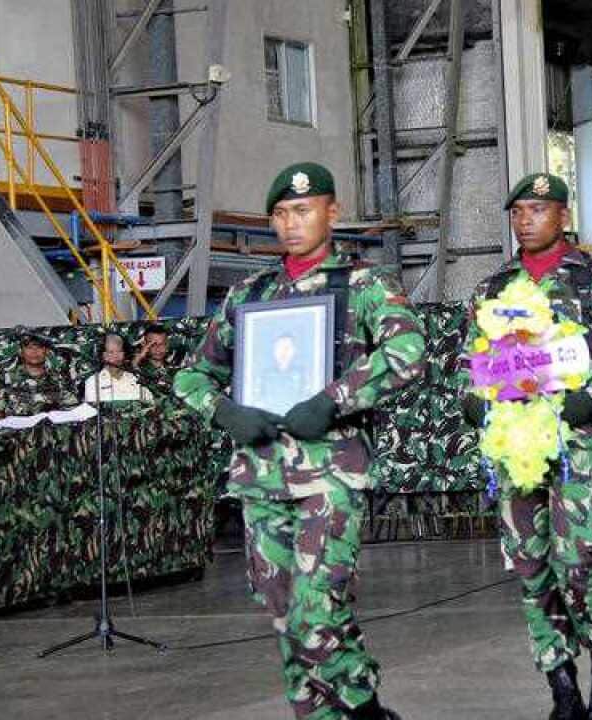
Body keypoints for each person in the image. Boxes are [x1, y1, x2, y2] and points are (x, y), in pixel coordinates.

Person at [175, 162, 426, 720]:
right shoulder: (250, 294)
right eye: (282, 213)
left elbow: (408, 354)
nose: (292, 223)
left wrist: (333, 400)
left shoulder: (364, 286)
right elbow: (191, 376)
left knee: (317, 613)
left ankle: (360, 707)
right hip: (262, 478)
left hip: (328, 477)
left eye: (304, 210)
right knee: (288, 617)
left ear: (331, 213)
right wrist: (225, 411)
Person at [459, 173, 592, 720]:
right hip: (513, 442)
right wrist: (473, 396)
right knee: (530, 564)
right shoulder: (492, 288)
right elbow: (475, 359)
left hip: (574, 440)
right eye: (518, 211)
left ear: (562, 216)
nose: (526, 219)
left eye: (538, 209)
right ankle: (561, 682)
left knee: (580, 560)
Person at [0, 330, 79, 416]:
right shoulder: (6, 377)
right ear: (21, 352)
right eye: (29, 347)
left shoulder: (59, 378)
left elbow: (72, 408)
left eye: (39, 347)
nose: (34, 352)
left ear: (47, 351)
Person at [84, 333, 153, 403]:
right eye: (111, 352)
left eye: (120, 351)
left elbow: (150, 404)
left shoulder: (136, 378)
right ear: (103, 355)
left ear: (124, 353)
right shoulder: (93, 382)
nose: (116, 356)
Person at [133, 324, 175, 400]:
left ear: (167, 345)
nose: (158, 348)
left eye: (162, 344)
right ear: (145, 345)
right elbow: (129, 374)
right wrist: (139, 357)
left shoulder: (175, 370)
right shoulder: (139, 369)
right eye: (153, 344)